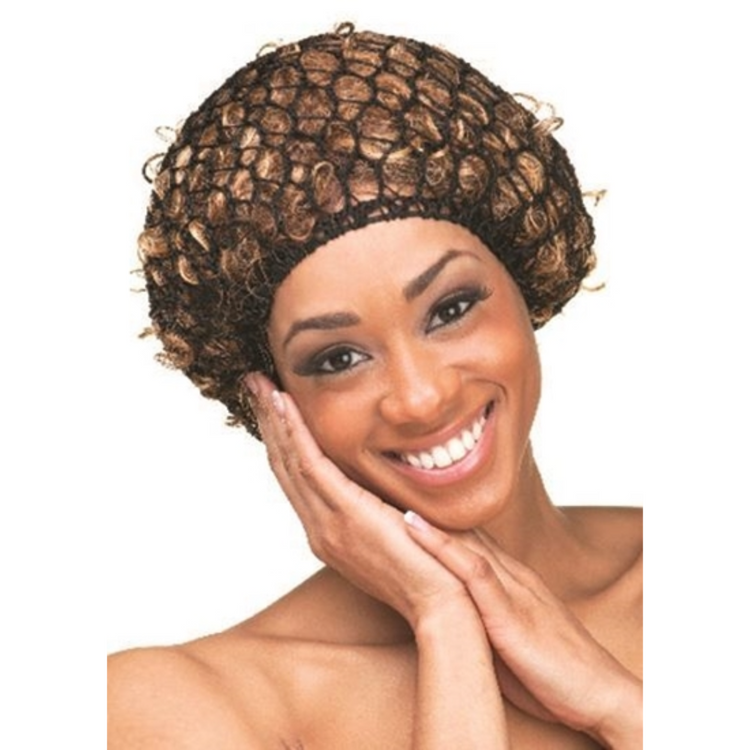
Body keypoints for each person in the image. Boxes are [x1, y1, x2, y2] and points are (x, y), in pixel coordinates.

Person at [104, 26, 646, 749]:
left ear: (527, 276)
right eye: (338, 358)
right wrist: (444, 619)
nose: (420, 398)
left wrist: (615, 703)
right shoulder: (185, 705)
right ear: (270, 397)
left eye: (450, 309)